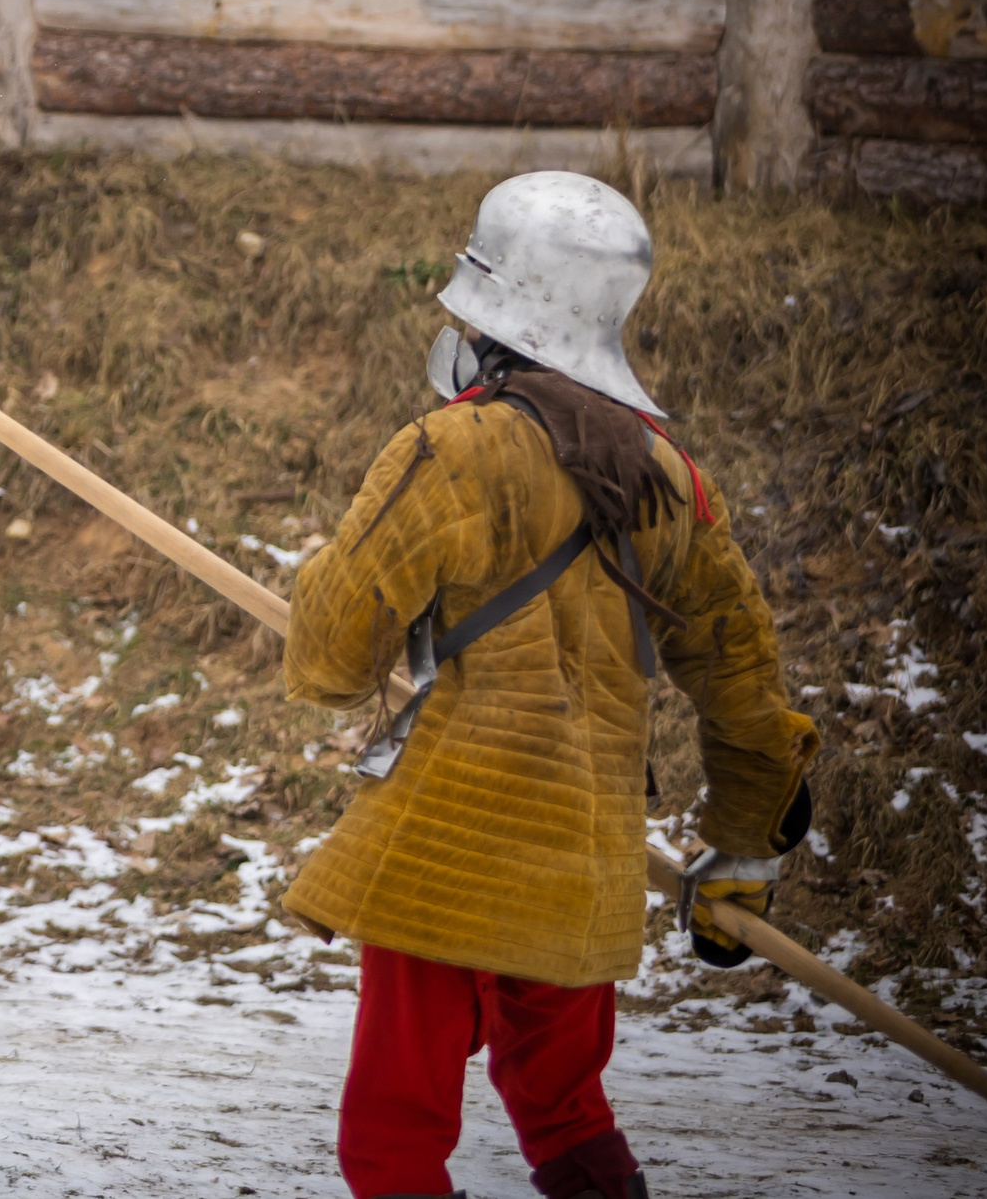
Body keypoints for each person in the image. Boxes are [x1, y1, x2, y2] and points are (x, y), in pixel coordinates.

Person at [282, 172, 819, 1199]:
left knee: (391, 1141)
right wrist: (746, 842)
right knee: (566, 1112)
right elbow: (742, 680)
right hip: (584, 862)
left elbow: (329, 661)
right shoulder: (671, 477)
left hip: (447, 852)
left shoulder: (450, 449)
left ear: (489, 318)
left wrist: (324, 586)